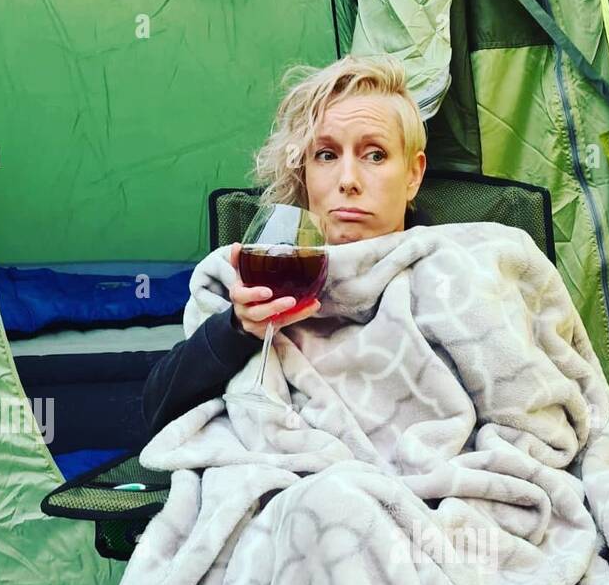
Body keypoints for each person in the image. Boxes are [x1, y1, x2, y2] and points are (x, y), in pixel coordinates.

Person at [142, 54, 428, 438]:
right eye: (326, 155)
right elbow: (157, 410)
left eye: (374, 154)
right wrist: (237, 329)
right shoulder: (263, 281)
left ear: (413, 174)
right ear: (304, 173)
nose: (348, 180)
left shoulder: (458, 271)